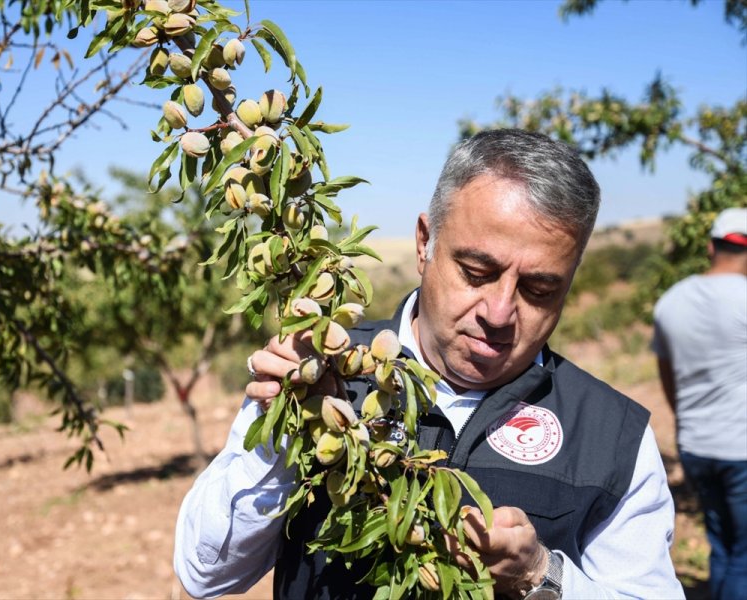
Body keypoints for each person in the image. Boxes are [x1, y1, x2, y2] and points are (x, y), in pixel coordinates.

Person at [174, 129, 685, 599]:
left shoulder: (610, 434)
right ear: (425, 243)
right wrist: (290, 431)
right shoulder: (321, 370)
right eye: (476, 272)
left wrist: (541, 576)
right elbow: (205, 574)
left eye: (539, 289)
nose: (500, 313)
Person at [651, 206, 747, 600]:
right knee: (742, 555)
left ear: (710, 247)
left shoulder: (671, 301)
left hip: (695, 445)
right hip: (741, 447)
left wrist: (685, 421)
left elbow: (668, 378)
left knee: (722, 544)